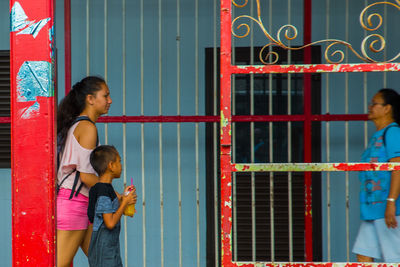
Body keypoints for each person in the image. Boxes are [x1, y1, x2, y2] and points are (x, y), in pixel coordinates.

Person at [57, 76, 112, 267]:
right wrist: (115, 195)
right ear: (90, 99)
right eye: (105, 96)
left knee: (104, 263)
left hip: (82, 205)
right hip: (74, 205)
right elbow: (86, 176)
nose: (109, 101)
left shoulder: (78, 125)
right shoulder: (87, 128)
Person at [353, 88, 400, 262]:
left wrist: (391, 202)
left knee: (394, 258)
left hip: (388, 208)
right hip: (372, 209)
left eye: (374, 103)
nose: (370, 107)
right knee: (363, 254)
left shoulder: (393, 132)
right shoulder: (377, 136)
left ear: (387, 108)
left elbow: (398, 168)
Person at [87, 145, 137, 267]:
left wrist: (125, 199)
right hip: (104, 248)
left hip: (109, 245)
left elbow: (113, 206)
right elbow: (109, 223)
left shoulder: (104, 188)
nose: (121, 166)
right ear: (111, 166)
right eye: (119, 161)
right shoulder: (103, 191)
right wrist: (125, 202)